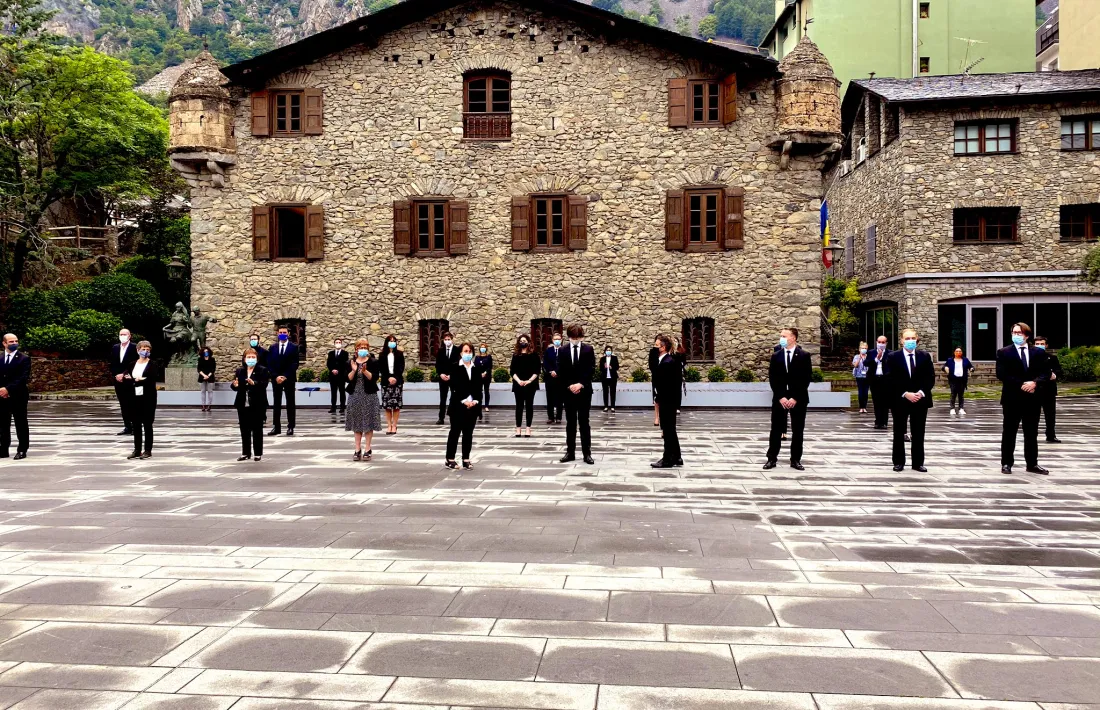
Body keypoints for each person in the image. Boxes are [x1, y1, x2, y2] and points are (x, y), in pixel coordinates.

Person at [997, 322, 1051, 475]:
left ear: (1026, 335)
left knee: (1031, 432)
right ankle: (1006, 463)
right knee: (1009, 432)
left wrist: (1035, 383)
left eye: (1019, 333)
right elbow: (1002, 374)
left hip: (1032, 398)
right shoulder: (1004, 352)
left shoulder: (1038, 353)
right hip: (1012, 398)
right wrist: (1022, 384)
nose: (1016, 335)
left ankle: (1032, 463)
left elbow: (1046, 373)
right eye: (1014, 333)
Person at [764, 327, 812, 471]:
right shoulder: (776, 356)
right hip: (780, 399)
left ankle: (795, 460)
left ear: (793, 338)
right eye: (781, 336)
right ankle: (771, 459)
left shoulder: (804, 355)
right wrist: (781, 397)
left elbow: (806, 378)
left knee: (798, 430)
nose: (781, 339)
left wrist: (795, 398)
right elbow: (773, 378)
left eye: (784, 336)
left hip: (798, 399)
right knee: (776, 429)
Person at [887, 329, 935, 472]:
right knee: (898, 432)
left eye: (913, 338)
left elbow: (930, 377)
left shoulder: (924, 356)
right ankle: (898, 462)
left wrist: (921, 392)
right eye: (907, 338)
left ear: (917, 339)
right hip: (900, 400)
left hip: (920, 400)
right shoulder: (893, 357)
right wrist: (905, 393)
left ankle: (918, 463)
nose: (910, 341)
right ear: (902, 340)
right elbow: (890, 378)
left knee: (919, 432)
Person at [557, 324, 595, 465]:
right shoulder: (562, 350)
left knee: (584, 422)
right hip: (569, 392)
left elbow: (591, 369)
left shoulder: (588, 349)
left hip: (584, 391)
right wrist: (570, 385)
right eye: (573, 338)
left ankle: (587, 453)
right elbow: (561, 370)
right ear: (568, 337)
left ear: (581, 337)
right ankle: (570, 452)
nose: (575, 340)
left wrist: (581, 384)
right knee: (570, 423)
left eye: (577, 338)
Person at [445, 342, 483, 470]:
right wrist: (464, 400)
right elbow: (455, 386)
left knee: (468, 433)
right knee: (455, 432)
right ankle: (450, 459)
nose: (468, 353)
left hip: (472, 406)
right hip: (458, 405)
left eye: (470, 351)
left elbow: (479, 387)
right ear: (461, 353)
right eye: (465, 351)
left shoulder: (476, 368)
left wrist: (475, 401)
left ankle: (466, 458)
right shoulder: (455, 367)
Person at [346, 338, 382, 461]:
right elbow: (348, 379)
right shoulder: (351, 362)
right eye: (361, 347)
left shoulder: (373, 362)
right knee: (356, 422)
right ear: (356, 349)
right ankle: (357, 449)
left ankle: (367, 448)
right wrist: (354, 370)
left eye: (365, 347)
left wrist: (365, 371)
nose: (363, 349)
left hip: (369, 395)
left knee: (368, 422)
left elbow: (374, 378)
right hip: (355, 395)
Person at [123, 340, 159, 459]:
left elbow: (151, 379)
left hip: (148, 397)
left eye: (148, 349)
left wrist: (138, 380)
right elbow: (127, 378)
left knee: (147, 424)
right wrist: (136, 380)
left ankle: (147, 450)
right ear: (138, 350)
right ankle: (137, 449)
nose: (145, 351)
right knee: (136, 424)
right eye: (143, 349)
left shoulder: (152, 364)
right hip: (134, 397)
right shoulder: (132, 364)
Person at [651, 334, 683, 468]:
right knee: (670, 429)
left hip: (667, 401)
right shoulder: (666, 360)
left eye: (656, 345)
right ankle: (677, 456)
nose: (654, 348)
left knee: (668, 430)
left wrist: (659, 398)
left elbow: (664, 384)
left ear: (663, 348)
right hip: (669, 400)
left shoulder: (667, 362)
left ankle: (667, 459)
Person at [232, 349, 269, 461]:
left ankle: (258, 453)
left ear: (257, 359)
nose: (251, 359)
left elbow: (264, 384)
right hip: (243, 403)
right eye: (249, 357)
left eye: (253, 357)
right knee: (244, 429)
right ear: (244, 359)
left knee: (257, 428)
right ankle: (245, 452)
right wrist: (235, 385)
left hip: (257, 403)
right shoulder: (240, 371)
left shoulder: (262, 370)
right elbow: (235, 386)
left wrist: (254, 383)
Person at [0, 333, 30, 460]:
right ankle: (3, 449)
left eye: (16, 341)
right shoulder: (0, 357)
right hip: (1, 396)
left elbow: (23, 378)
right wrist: (1, 390)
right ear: (4, 343)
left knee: (20, 423)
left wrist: (8, 389)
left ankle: (22, 449)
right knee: (3, 423)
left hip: (18, 395)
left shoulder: (24, 358)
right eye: (11, 342)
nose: (14, 343)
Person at [267, 325, 299, 436]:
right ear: (277, 333)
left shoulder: (294, 347)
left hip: (289, 378)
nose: (282, 334)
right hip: (276, 379)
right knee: (276, 403)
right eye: (280, 332)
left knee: (290, 403)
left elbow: (295, 364)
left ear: (288, 334)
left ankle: (291, 426)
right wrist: (276, 376)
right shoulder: (272, 347)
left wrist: (285, 376)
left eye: (284, 332)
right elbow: (269, 364)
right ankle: (276, 427)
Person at [510, 335, 540, 437]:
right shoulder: (516, 355)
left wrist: (529, 380)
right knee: (519, 406)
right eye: (521, 341)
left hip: (530, 384)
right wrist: (519, 381)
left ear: (528, 342)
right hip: (518, 383)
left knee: (529, 406)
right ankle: (518, 428)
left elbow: (537, 370)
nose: (523, 342)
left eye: (524, 340)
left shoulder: (534, 355)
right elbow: (512, 371)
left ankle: (528, 428)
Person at [109, 328, 138, 435]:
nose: (123, 336)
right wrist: (116, 375)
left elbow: (135, 363)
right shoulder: (115, 347)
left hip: (130, 379)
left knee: (132, 403)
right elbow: (112, 363)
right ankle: (127, 426)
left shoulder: (134, 347)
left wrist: (124, 374)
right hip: (118, 380)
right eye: (121, 334)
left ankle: (135, 427)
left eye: (125, 334)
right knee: (123, 404)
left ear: (129, 336)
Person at [1034, 336, 1062, 443]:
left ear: (1046, 345)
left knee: (1050, 415)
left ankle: (1051, 435)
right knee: (1033, 414)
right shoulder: (1030, 357)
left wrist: (1055, 374)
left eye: (1042, 344)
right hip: (1035, 389)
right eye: (1037, 344)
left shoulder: (1052, 358)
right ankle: (1032, 434)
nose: (1039, 346)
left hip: (1049, 390)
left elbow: (1059, 370)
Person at [380, 334, 405, 435]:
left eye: (394, 341)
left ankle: (394, 425)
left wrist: (395, 377)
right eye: (390, 341)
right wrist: (388, 377)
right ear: (387, 342)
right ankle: (389, 425)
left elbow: (401, 367)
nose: (392, 343)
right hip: (386, 381)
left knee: (396, 405)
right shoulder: (382, 355)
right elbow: (381, 368)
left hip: (397, 381)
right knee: (387, 405)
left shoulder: (399, 354)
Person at [435, 332, 460, 425]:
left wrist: (452, 375)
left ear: (452, 340)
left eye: (449, 339)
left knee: (454, 397)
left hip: (453, 378)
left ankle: (454, 416)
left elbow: (458, 364)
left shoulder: (457, 350)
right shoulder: (440, 351)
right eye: (445, 339)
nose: (447, 341)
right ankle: (441, 418)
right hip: (443, 378)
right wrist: (441, 374)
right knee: (443, 398)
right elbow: (437, 364)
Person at [868, 335, 891, 430]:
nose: (881, 344)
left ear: (886, 343)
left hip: (885, 379)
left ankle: (884, 422)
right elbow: (866, 363)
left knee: (885, 402)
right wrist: (876, 359)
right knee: (876, 401)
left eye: (883, 342)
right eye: (879, 342)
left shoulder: (890, 353)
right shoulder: (871, 352)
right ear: (876, 342)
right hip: (875, 380)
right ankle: (877, 421)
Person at [943, 347, 975, 417]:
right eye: (957, 351)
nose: (958, 352)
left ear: (962, 352)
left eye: (960, 351)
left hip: (962, 379)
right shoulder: (950, 360)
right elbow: (944, 367)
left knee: (961, 395)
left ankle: (961, 408)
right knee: (953, 394)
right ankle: (952, 408)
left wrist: (971, 369)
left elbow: (971, 366)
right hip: (953, 379)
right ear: (954, 352)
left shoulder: (965, 360)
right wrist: (945, 368)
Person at [543, 332, 564, 424]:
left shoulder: (564, 350)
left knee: (560, 398)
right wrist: (551, 371)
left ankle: (559, 417)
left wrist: (557, 372)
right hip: (550, 378)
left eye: (558, 339)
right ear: (552, 340)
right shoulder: (548, 350)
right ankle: (550, 417)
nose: (557, 341)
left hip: (560, 378)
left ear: (561, 340)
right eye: (555, 339)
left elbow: (565, 364)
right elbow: (545, 362)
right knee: (550, 397)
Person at [327, 338, 351, 414]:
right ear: (334, 344)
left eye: (339, 342)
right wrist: (332, 370)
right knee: (333, 392)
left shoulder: (345, 353)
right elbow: (328, 363)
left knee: (342, 392)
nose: (338, 343)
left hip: (341, 376)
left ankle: (342, 407)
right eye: (336, 342)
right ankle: (333, 407)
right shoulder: (331, 353)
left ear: (341, 343)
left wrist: (338, 370)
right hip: (333, 376)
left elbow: (345, 364)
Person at [475, 343, 493, 420]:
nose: (483, 349)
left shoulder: (488, 357)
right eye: (481, 347)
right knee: (479, 392)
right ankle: (479, 406)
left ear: (486, 348)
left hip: (487, 377)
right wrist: (480, 374)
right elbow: (475, 367)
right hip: (479, 377)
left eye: (484, 347)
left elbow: (490, 366)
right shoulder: (477, 357)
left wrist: (485, 373)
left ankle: (486, 406)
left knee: (486, 391)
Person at [852, 342, 870, 413]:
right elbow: (855, 365)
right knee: (860, 391)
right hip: (859, 376)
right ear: (859, 349)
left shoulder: (868, 356)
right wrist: (859, 358)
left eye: (865, 348)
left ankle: (864, 407)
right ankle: (861, 407)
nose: (864, 349)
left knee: (866, 392)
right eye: (862, 348)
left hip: (867, 376)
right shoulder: (856, 356)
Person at [600, 345, 620, 412]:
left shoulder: (614, 358)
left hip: (613, 377)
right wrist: (604, 367)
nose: (608, 351)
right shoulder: (602, 359)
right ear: (605, 351)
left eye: (609, 350)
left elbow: (617, 367)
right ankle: (605, 406)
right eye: (607, 350)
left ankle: (612, 407)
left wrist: (612, 367)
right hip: (604, 378)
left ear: (611, 351)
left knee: (613, 392)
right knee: (605, 392)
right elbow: (600, 368)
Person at [198, 346, 216, 412]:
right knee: (203, 391)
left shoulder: (212, 359)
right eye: (204, 352)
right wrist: (204, 375)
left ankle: (209, 405)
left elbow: (213, 369)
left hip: (210, 377)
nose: (206, 353)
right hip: (202, 377)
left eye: (207, 351)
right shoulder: (200, 359)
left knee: (210, 391)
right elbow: (198, 369)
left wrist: (208, 376)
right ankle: (203, 405)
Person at [648, 342, 660, 426]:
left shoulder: (668, 353)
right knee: (656, 398)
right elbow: (651, 364)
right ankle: (656, 417)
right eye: (656, 344)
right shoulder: (653, 352)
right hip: (656, 376)